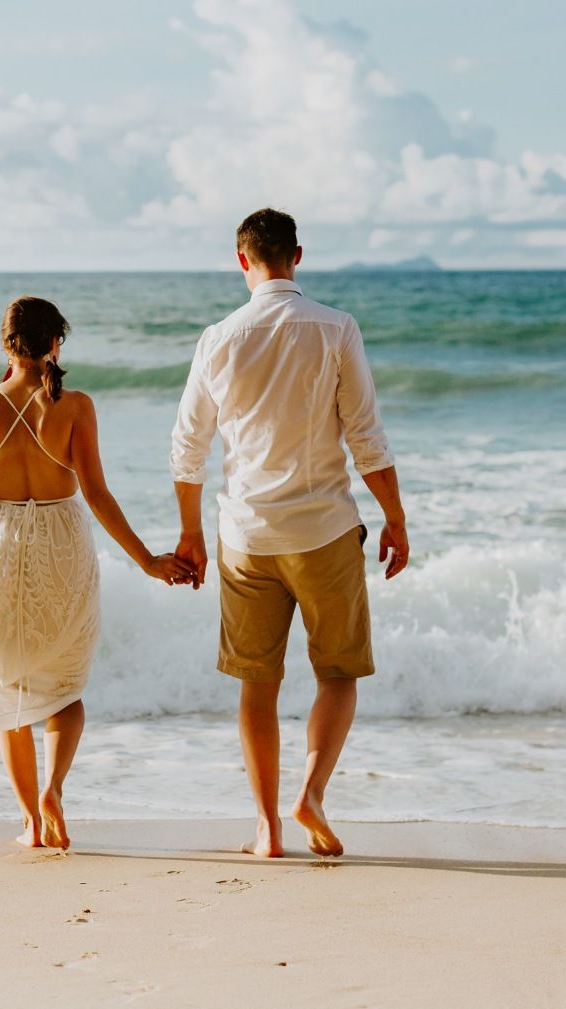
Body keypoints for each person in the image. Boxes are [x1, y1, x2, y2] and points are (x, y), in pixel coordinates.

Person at [169, 208, 411, 858]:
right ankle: (311, 791)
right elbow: (366, 434)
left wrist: (191, 534)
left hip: (246, 534)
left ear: (241, 260)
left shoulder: (217, 337)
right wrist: (396, 516)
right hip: (326, 529)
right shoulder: (336, 327)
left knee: (258, 681)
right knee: (337, 674)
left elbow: (187, 447)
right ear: (297, 255)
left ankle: (267, 828)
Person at [0, 296, 191, 850]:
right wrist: (148, 562)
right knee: (65, 684)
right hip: (63, 543)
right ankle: (54, 790)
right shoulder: (77, 406)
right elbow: (98, 493)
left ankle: (30, 823)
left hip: (0, 549)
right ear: (56, 342)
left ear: (5, 343)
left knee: (6, 688)